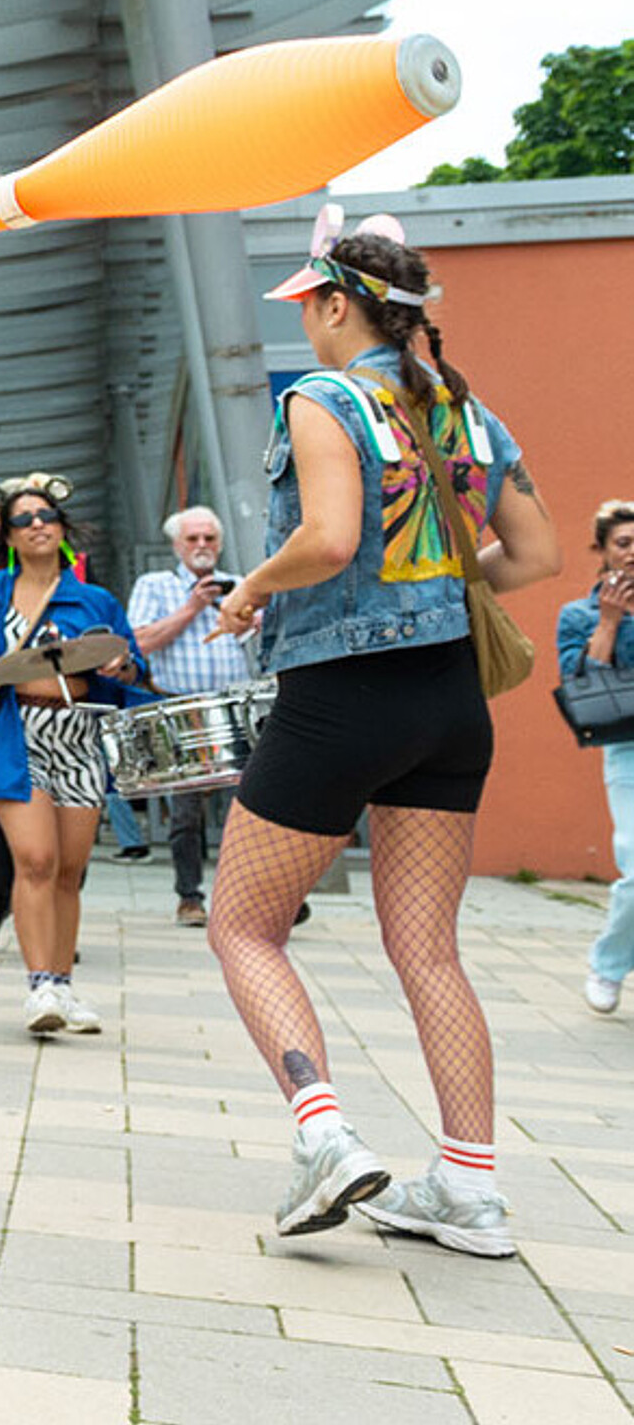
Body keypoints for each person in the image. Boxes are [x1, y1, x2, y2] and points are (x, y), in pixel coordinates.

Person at [206, 212, 558, 1248]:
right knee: (430, 952)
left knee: (244, 926)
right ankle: (472, 1190)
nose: (304, 331)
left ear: (334, 302)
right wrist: (439, 602)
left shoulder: (325, 397)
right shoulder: (463, 409)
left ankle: (326, 1139)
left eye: (307, 310)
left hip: (342, 692)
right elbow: (533, 555)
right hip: (450, 701)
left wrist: (251, 590)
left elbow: (329, 539)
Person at [0, 474, 143, 1037]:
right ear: (9, 534)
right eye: (23, 519)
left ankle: (64, 986)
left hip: (80, 736)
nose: (37, 525)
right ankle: (39, 984)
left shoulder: (93, 599)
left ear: (63, 527)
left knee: (71, 870)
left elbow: (129, 661)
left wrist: (122, 667)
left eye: (46, 515)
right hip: (14, 733)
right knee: (36, 860)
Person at [125, 505, 258, 926]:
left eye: (209, 539)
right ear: (176, 545)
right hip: (179, 708)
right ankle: (190, 897)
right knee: (185, 813)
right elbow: (138, 643)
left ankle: (257, 896)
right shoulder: (156, 585)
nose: (202, 546)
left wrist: (247, 620)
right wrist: (191, 608)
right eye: (193, 539)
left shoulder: (239, 585)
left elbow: (261, 631)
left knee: (254, 808)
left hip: (235, 709)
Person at [562, 499, 634, 1015]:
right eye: (624, 543)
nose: (633, 554)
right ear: (604, 552)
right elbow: (580, 685)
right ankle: (608, 967)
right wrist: (608, 623)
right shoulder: (580, 614)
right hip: (626, 749)